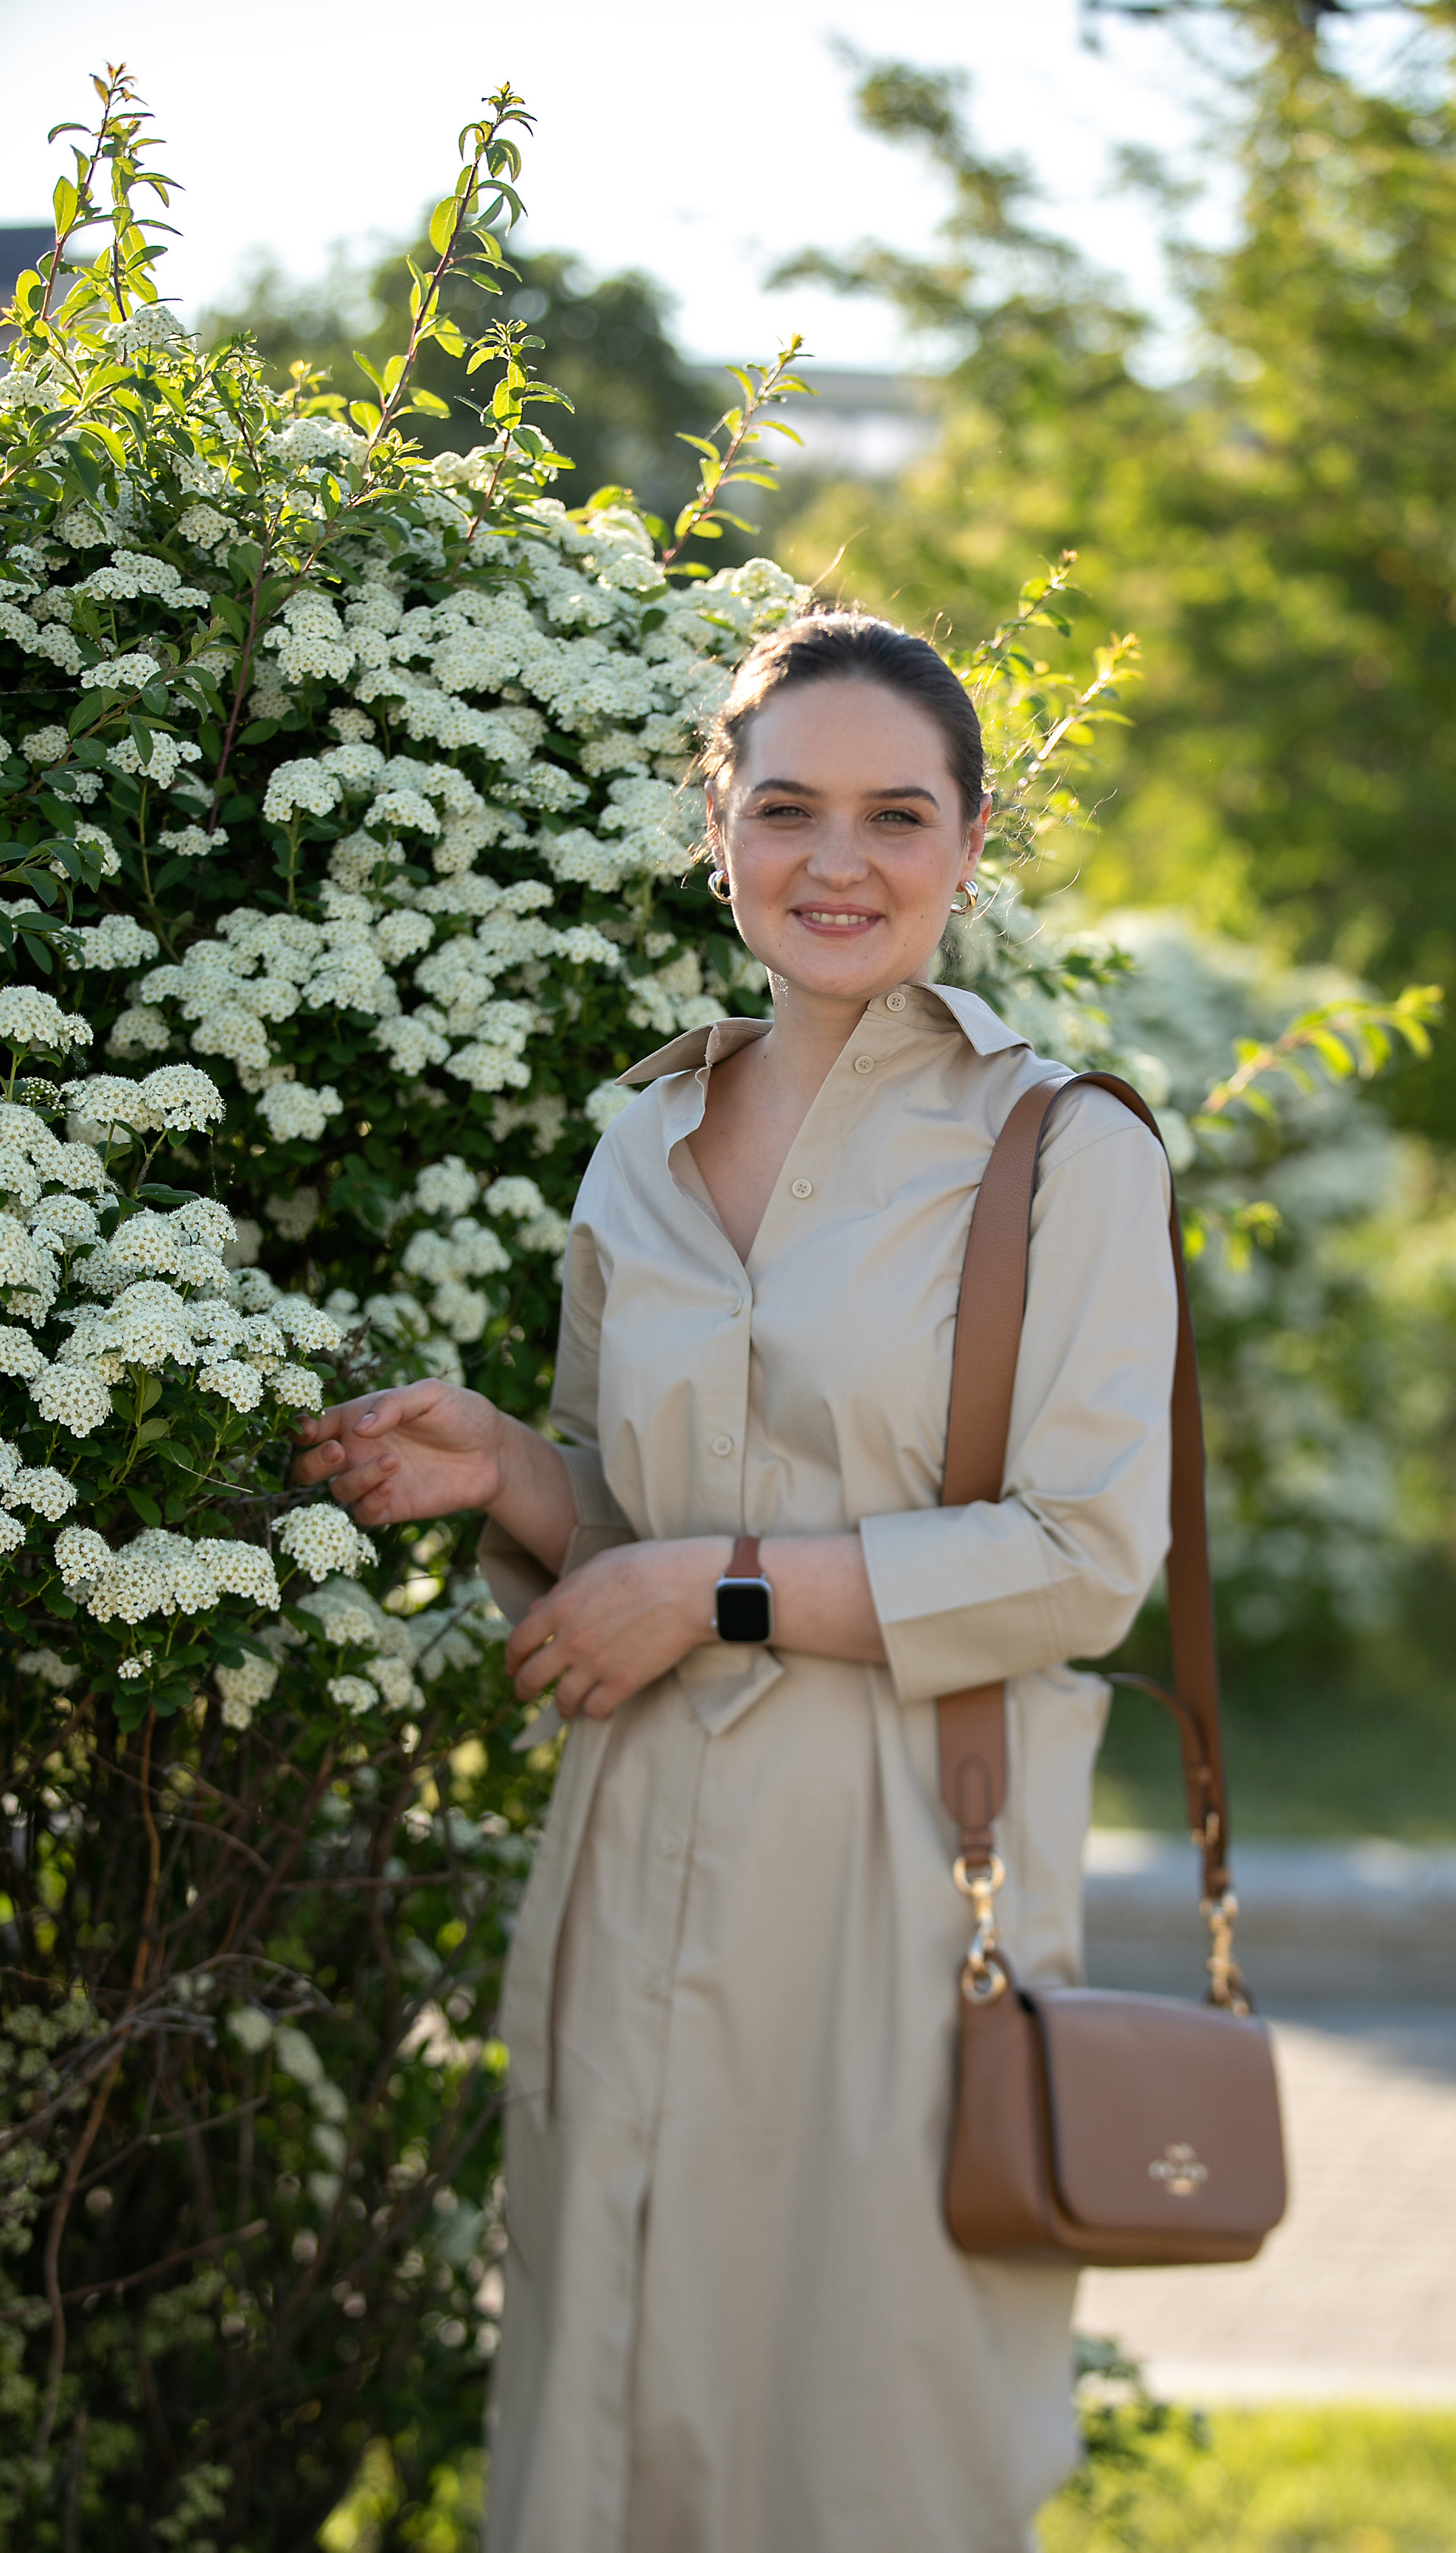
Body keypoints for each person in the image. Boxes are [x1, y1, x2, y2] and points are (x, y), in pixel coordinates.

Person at [290, 612, 1177, 2553]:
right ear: (720, 831)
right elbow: (640, 1537)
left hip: (899, 1885)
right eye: (787, 810)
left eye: (896, 815)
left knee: (865, 2458)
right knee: (609, 2428)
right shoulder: (643, 1143)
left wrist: (719, 1593)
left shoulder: (1066, 1153)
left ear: (972, 841)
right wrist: (512, 1474)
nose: (836, 861)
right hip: (634, 1868)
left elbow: (1085, 1560)